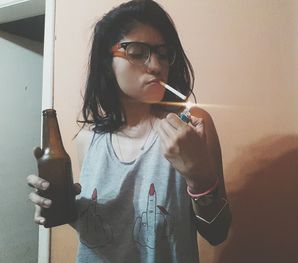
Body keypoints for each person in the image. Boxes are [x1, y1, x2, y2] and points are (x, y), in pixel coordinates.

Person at [27, 0, 231, 262]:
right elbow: (105, 233)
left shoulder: (191, 127)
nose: (157, 66)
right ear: (106, 63)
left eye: (164, 53)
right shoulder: (89, 140)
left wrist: (200, 177)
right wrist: (58, 207)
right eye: (137, 52)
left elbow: (218, 233)